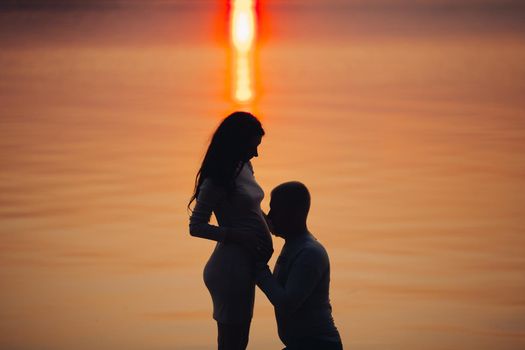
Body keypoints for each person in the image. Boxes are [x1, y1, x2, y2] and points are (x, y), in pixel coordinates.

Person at [188, 111, 273, 350]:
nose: (255, 153)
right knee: (231, 344)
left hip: (245, 268)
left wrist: (280, 226)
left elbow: (251, 209)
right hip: (230, 270)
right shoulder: (217, 180)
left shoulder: (244, 166)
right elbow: (196, 227)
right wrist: (239, 236)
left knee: (240, 342)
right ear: (237, 143)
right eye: (252, 146)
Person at [255, 181, 343, 350]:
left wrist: (259, 269)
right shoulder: (295, 243)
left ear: (294, 213)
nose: (270, 215)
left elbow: (287, 304)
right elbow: (268, 222)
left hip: (319, 345)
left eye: (275, 210)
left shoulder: (309, 253)